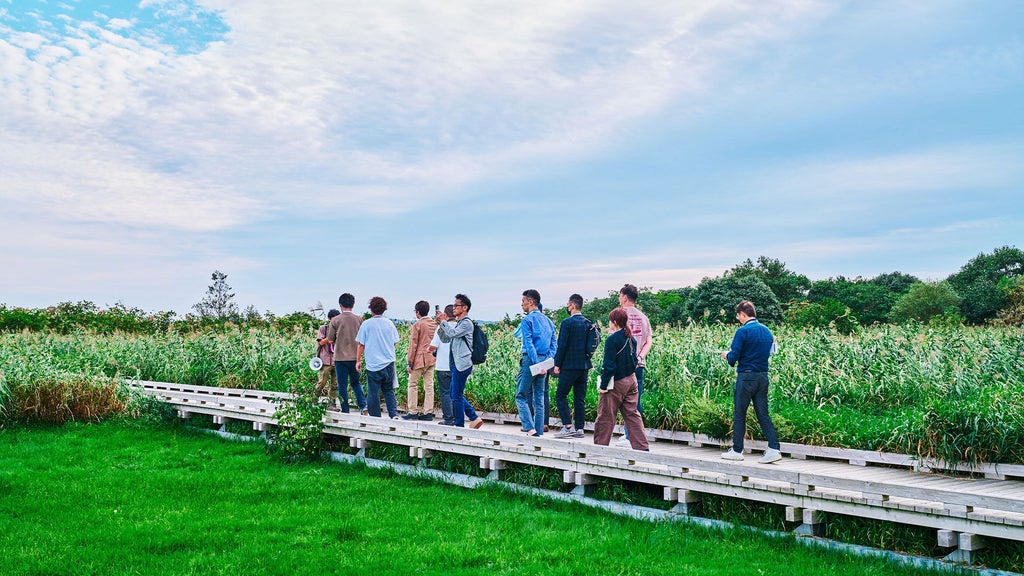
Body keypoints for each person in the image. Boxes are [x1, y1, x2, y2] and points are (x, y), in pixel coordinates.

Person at [721, 300, 782, 464]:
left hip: (746, 376)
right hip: (763, 376)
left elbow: (734, 358)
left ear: (743, 314)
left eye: (738, 316)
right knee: (763, 413)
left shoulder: (743, 332)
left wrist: (726, 354)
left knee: (740, 413)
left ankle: (737, 450)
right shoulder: (767, 331)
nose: (738, 319)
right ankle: (774, 448)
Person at [593, 308, 648, 450]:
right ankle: (642, 447)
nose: (609, 323)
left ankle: (600, 448)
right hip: (632, 381)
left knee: (605, 416)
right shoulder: (631, 338)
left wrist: (603, 386)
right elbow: (634, 360)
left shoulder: (612, 339)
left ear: (615, 322)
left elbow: (609, 366)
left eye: (610, 321)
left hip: (617, 383)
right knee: (632, 415)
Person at [434, 294, 484, 429]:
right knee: (454, 393)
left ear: (465, 307)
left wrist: (444, 321)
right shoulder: (459, 323)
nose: (454, 308)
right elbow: (446, 339)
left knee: (455, 395)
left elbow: (452, 334)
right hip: (456, 363)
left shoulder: (466, 323)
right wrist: (440, 325)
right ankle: (473, 417)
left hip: (462, 364)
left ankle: (459, 425)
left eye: (456, 305)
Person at [515, 289, 557, 437]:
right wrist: (546, 364)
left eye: (523, 301)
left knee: (520, 395)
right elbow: (554, 346)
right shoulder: (549, 322)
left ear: (531, 301)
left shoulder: (527, 320)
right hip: (545, 361)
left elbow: (528, 343)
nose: (522, 304)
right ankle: (538, 432)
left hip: (530, 361)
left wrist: (536, 364)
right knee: (539, 398)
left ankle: (529, 427)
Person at [552, 294, 593, 438]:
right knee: (579, 398)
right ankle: (580, 428)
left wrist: (557, 364)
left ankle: (568, 426)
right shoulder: (589, 323)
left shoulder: (567, 323)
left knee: (561, 395)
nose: (567, 307)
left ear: (573, 305)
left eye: (568, 305)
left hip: (569, 366)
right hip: (584, 366)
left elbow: (562, 345)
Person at [617, 284, 652, 446]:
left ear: (624, 297)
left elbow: (615, 342)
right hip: (639, 364)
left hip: (623, 365)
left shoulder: (620, 316)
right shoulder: (644, 317)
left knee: (623, 402)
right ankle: (633, 434)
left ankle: (628, 436)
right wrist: (639, 357)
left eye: (619, 296)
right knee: (636, 401)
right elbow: (648, 342)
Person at [321, 293, 367, 414]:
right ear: (353, 304)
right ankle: (363, 406)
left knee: (342, 385)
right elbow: (363, 339)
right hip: (355, 356)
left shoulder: (335, 320)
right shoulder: (359, 319)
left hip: (340, 358)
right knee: (356, 383)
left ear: (340, 305)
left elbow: (330, 340)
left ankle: (345, 410)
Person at [355, 296, 401, 419]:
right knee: (389, 390)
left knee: (373, 393)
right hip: (389, 362)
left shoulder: (366, 324)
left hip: (373, 364)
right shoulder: (389, 323)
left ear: (371, 309)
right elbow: (395, 342)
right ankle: (394, 414)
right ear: (384, 309)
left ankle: (376, 417)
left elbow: (361, 344)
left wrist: (358, 361)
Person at [403, 300, 438, 420]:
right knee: (429, 386)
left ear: (418, 312)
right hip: (432, 358)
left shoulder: (417, 325)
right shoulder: (434, 324)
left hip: (419, 359)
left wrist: (409, 362)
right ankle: (428, 412)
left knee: (413, 385)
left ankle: (412, 412)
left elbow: (413, 345)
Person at [429, 304, 457, 425]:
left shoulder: (441, 328)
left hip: (442, 365)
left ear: (445, 315)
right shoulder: (459, 327)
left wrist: (427, 349)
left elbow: (433, 346)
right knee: (456, 392)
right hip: (456, 366)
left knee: (445, 392)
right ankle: (457, 417)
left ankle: (448, 418)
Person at [314, 309, 341, 408]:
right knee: (322, 382)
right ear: (329, 319)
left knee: (335, 384)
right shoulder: (323, 328)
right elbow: (320, 342)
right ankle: (313, 400)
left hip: (337, 360)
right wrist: (331, 335)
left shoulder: (341, 330)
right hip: (325, 360)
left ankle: (332, 404)